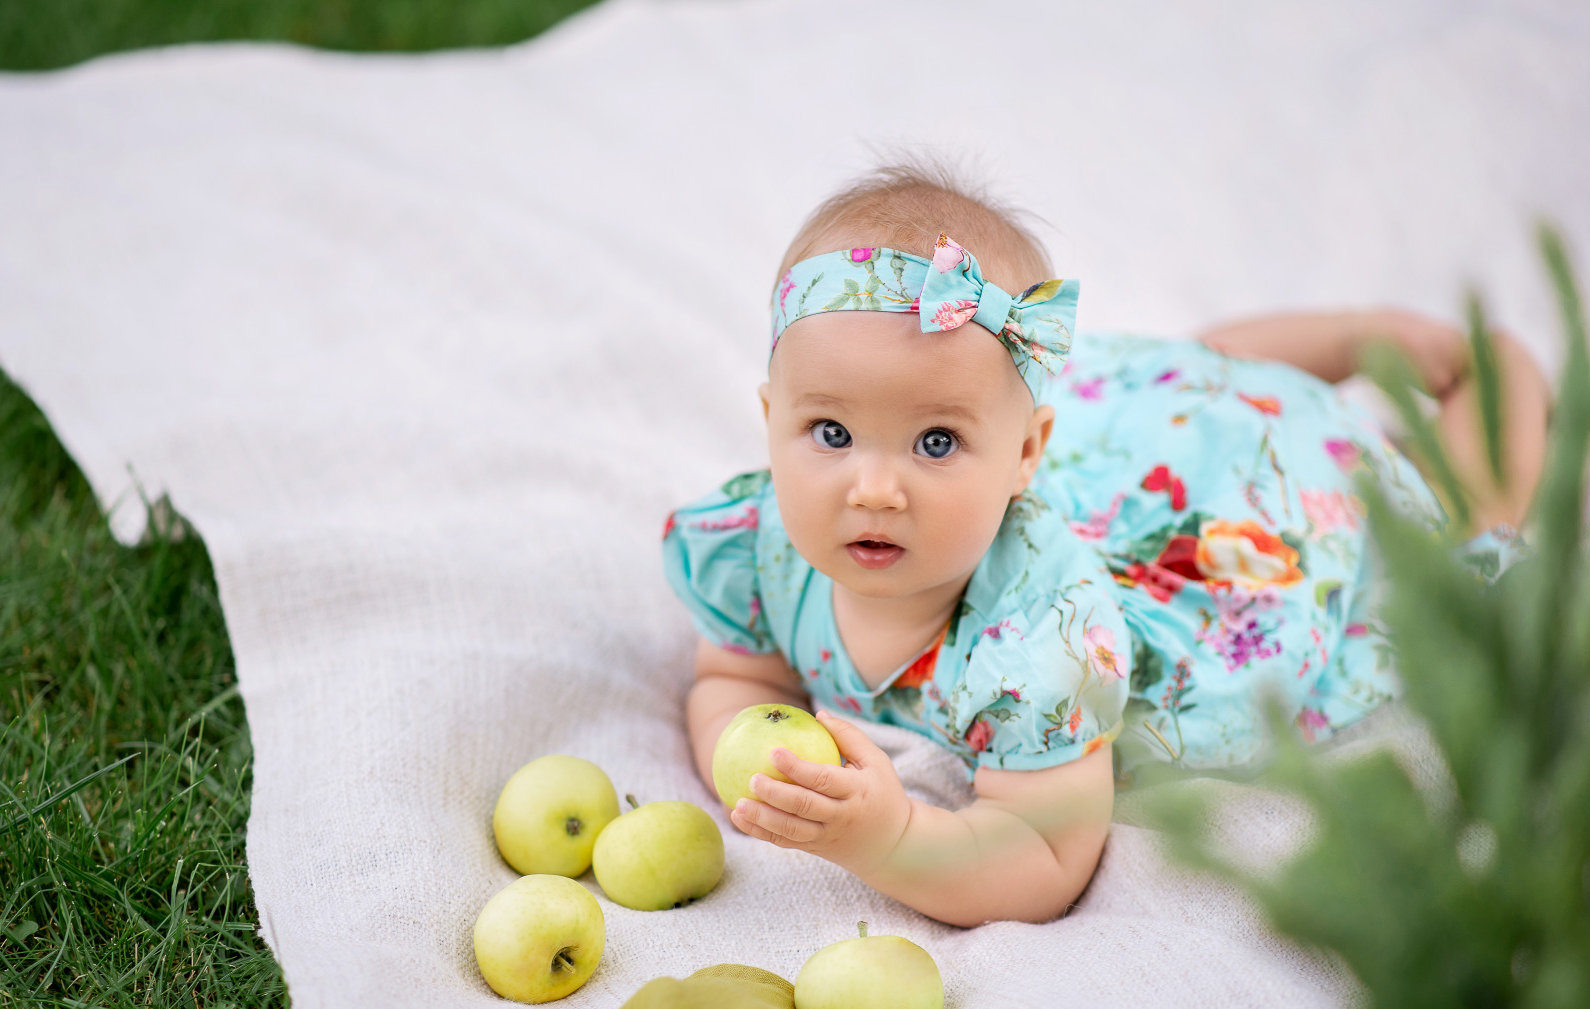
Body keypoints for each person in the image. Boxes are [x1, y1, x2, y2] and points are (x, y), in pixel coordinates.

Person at [660, 163, 1547, 927]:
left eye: (935, 442)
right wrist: (754, 774)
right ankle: (1336, 342)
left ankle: (1457, 375)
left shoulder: (1043, 643)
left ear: (1022, 456)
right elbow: (736, 678)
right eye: (829, 432)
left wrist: (889, 838)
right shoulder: (757, 549)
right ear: (771, 422)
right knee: (1151, 391)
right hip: (1118, 459)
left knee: (1422, 528)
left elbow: (1043, 851)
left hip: (1237, 539)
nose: (874, 488)